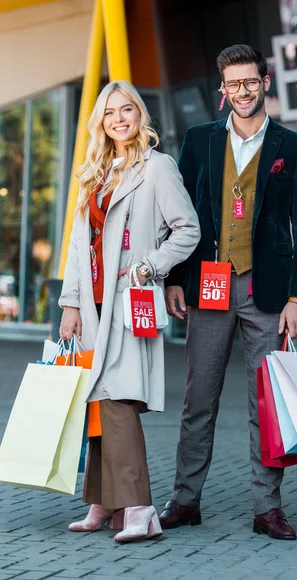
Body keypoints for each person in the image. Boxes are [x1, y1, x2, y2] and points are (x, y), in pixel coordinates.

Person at [160, 44, 297, 540]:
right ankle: (186, 501)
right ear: (222, 91)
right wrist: (173, 279)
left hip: (266, 290)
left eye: (251, 82)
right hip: (208, 282)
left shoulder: (293, 147)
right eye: (234, 84)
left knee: (265, 402)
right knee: (198, 400)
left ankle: (266, 508)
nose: (243, 91)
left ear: (266, 83)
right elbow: (178, 217)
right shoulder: (199, 140)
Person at [58, 80, 200, 543]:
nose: (119, 119)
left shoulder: (157, 168)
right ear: (100, 121)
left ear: (140, 116)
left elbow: (187, 229)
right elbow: (80, 246)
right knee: (97, 399)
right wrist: (70, 302)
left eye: (128, 110)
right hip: (94, 307)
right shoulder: (92, 174)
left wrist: (149, 267)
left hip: (128, 301)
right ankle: (104, 503)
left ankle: (139, 507)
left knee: (117, 399)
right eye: (110, 112)